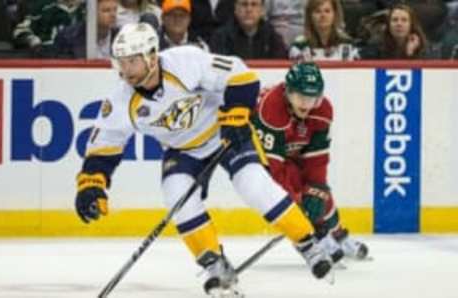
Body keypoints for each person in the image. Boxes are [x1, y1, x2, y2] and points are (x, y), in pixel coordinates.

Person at [74, 22, 334, 297]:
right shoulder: (120, 102)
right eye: (121, 63)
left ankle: (308, 243)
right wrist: (91, 185)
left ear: (151, 56)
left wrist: (235, 114)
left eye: (132, 62)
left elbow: (240, 75)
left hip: (225, 131)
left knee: (252, 184)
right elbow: (104, 145)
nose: (126, 71)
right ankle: (214, 264)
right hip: (184, 149)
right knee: (176, 196)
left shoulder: (184, 61)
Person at [252, 62, 369, 262]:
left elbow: (317, 159)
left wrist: (317, 188)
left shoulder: (322, 109)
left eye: (312, 98)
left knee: (318, 193)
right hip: (264, 156)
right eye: (300, 97)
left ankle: (337, 234)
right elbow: (276, 173)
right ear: (288, 92)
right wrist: (298, 205)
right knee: (293, 186)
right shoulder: (271, 109)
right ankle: (310, 236)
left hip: (294, 149)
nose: (306, 105)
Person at [210, 0, 287, 59]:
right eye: (244, 4)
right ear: (235, 9)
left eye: (254, 4)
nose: (249, 9)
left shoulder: (273, 37)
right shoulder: (221, 37)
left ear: (262, 11)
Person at [289, 0, 359, 61]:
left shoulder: (347, 43)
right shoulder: (299, 46)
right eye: (318, 11)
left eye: (327, 11)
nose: (323, 15)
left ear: (335, 14)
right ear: (310, 16)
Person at [360, 3, 428, 59]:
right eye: (395, 20)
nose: (399, 24)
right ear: (388, 25)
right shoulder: (375, 47)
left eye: (404, 20)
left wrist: (410, 53)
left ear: (411, 25)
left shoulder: (423, 48)